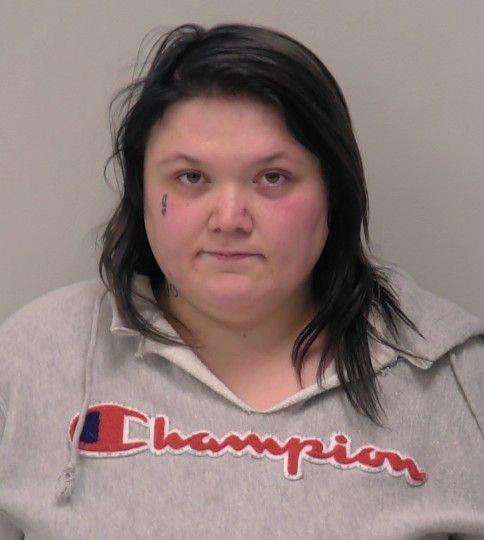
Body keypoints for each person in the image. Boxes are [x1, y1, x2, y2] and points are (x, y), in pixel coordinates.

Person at [0, 22, 483, 540]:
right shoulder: (34, 357)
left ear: (334, 193)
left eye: (272, 178)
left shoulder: (457, 378)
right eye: (191, 178)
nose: (229, 218)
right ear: (141, 194)